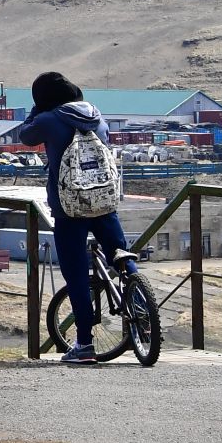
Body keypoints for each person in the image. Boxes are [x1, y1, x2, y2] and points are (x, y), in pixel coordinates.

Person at [16, 71, 137, 365]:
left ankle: (84, 344)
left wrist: (37, 111)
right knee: (120, 255)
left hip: (70, 208)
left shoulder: (49, 119)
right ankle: (142, 307)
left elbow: (25, 136)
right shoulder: (97, 117)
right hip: (104, 203)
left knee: (77, 275)